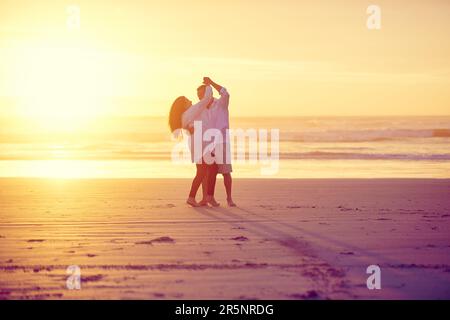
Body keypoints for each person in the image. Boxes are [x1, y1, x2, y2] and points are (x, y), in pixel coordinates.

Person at [168, 84, 218, 207]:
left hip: (199, 145)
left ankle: (205, 197)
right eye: (187, 100)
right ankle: (194, 197)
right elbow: (206, 100)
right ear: (184, 105)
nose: (190, 100)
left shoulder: (186, 115)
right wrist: (208, 86)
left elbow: (190, 123)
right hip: (202, 145)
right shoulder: (191, 111)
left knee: (204, 171)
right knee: (207, 170)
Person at [197, 77, 236, 207]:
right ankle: (205, 198)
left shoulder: (221, 104)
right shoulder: (201, 109)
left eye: (201, 94)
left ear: (209, 93)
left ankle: (229, 198)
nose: (199, 98)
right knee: (205, 172)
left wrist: (211, 83)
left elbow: (225, 93)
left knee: (225, 171)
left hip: (222, 142)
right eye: (198, 96)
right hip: (207, 144)